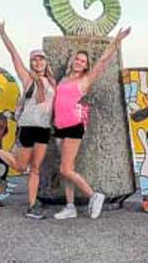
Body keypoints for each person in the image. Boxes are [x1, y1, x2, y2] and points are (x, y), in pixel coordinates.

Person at [53, 27, 131, 220]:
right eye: (77, 59)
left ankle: (94, 195)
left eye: (83, 61)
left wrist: (117, 41)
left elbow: (103, 61)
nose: (79, 63)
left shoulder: (85, 80)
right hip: (59, 127)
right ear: (72, 61)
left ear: (86, 66)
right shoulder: (63, 79)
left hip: (73, 126)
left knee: (66, 169)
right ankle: (70, 206)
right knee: (66, 170)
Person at [0, 17, 57, 219]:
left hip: (43, 129)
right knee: (21, 166)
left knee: (35, 168)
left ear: (46, 62)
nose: (38, 62)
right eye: (34, 60)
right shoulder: (29, 79)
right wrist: (2, 33)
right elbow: (14, 55)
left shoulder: (53, 83)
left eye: (41, 59)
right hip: (27, 128)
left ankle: (31, 205)